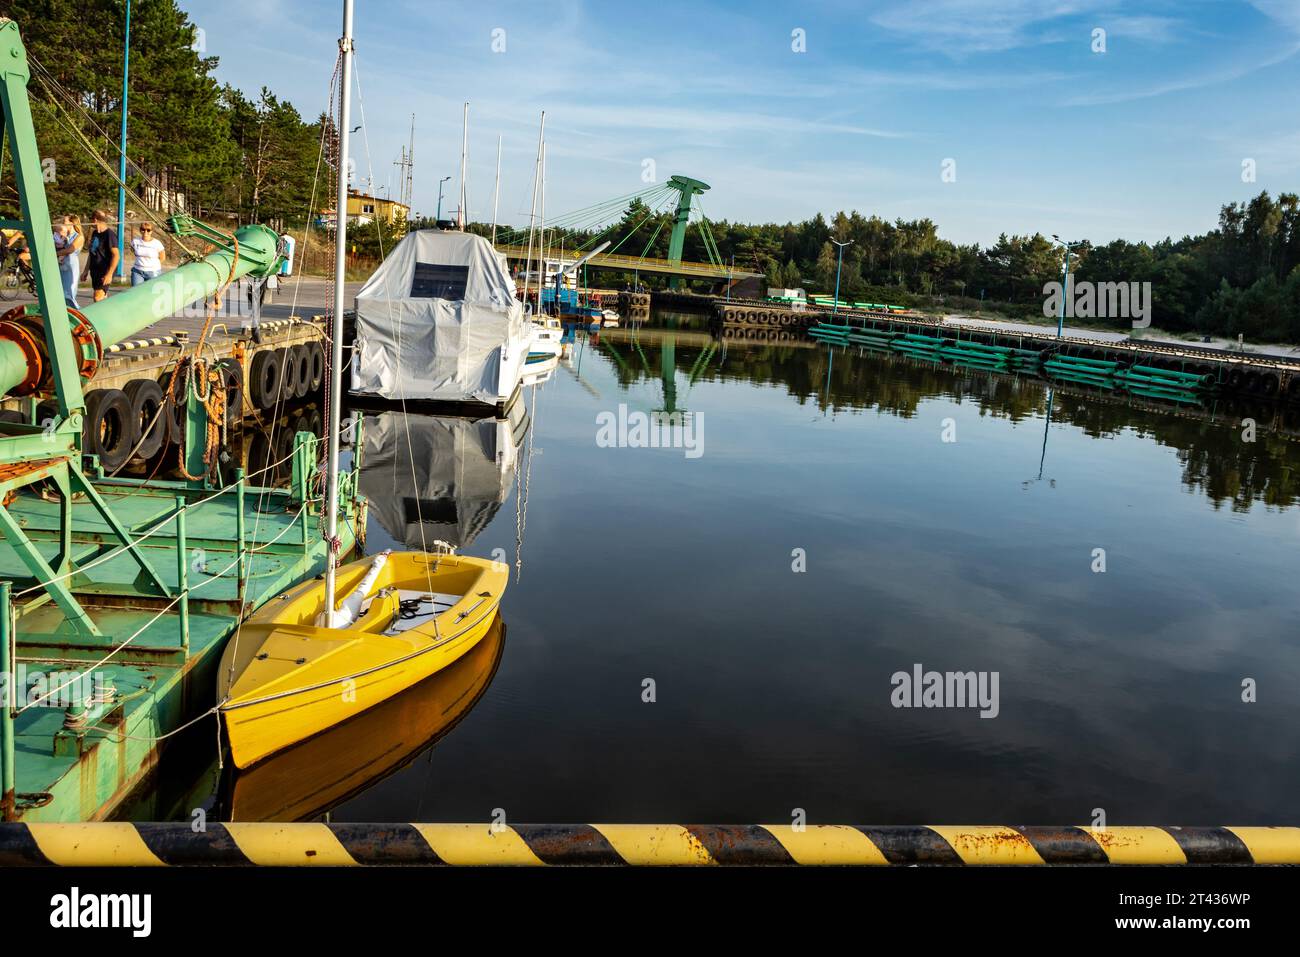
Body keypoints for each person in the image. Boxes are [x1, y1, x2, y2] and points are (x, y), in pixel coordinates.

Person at [81, 209, 119, 302]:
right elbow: (92, 253)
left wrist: (109, 274)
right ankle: (109, 315)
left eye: (90, 219)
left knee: (98, 297)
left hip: (105, 270)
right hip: (95, 270)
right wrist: (85, 271)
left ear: (95, 220)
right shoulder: (95, 233)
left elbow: (116, 256)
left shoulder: (109, 235)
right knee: (101, 299)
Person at [54, 214, 82, 308]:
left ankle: (77, 313)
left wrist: (55, 254)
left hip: (71, 265)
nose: (63, 224)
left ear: (72, 223)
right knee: (60, 294)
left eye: (64, 222)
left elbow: (70, 250)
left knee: (69, 294)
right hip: (61, 265)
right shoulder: (64, 236)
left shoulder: (79, 236)